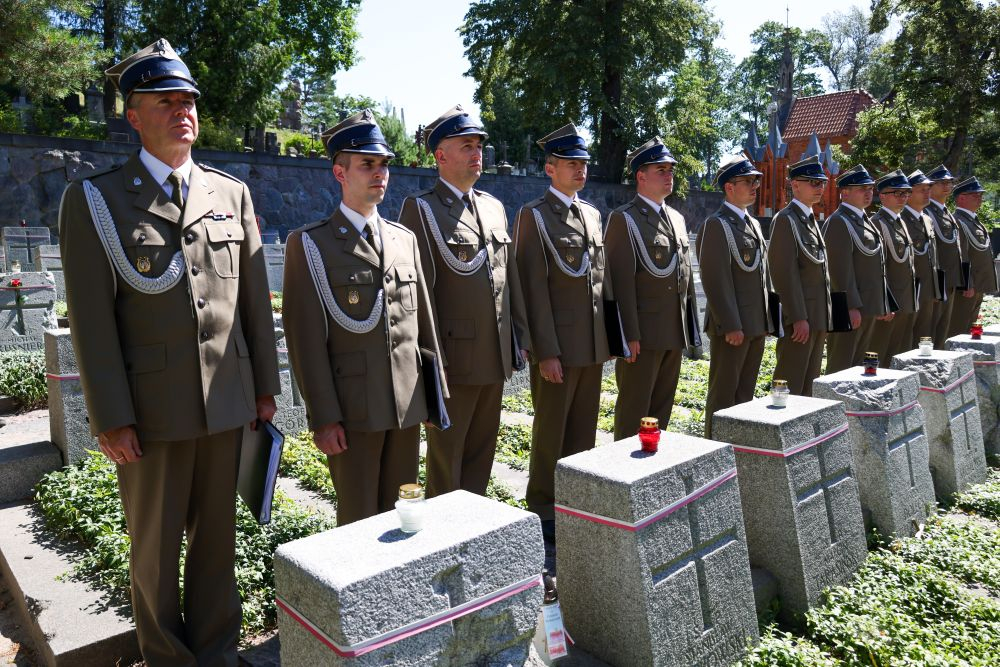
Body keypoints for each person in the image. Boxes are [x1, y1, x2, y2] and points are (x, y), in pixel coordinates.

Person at [59, 39, 279, 666]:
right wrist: (111, 416)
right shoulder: (98, 199)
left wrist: (264, 389)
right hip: (151, 412)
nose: (183, 111)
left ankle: (215, 652)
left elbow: (254, 305)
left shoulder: (229, 193)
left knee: (218, 542)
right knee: (153, 550)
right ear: (133, 115)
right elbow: (93, 321)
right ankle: (167, 658)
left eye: (189, 101)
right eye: (166, 101)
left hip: (227, 403)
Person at [282, 110, 447, 526]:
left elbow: (421, 324)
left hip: (407, 406)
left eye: (384, 164)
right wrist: (324, 417)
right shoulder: (311, 244)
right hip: (354, 411)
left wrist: (434, 395)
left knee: (404, 515)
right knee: (357, 519)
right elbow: (305, 342)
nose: (380, 174)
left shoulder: (402, 238)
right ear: (340, 172)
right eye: (367, 164)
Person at [397, 105, 529, 497]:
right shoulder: (421, 209)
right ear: (440, 155)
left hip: (494, 353)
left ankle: (475, 530)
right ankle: (444, 539)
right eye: (466, 146)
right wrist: (431, 362)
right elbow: (417, 295)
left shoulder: (493, 207)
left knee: (482, 453)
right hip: (453, 358)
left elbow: (510, 280)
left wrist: (517, 337)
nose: (477, 153)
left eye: (479, 146)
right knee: (447, 459)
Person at [514, 123, 609, 572]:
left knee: (583, 432)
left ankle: (572, 498)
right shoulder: (534, 216)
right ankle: (543, 506)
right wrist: (545, 350)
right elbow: (533, 288)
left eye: (584, 162)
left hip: (589, 344)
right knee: (551, 430)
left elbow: (599, 283)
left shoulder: (591, 215)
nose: (580, 169)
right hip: (558, 348)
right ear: (549, 168)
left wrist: (607, 337)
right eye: (571, 162)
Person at [604, 137, 698, 440]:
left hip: (673, 331)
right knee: (634, 413)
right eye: (661, 169)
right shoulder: (625, 219)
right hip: (641, 336)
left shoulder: (678, 219)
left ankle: (654, 471)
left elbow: (684, 280)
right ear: (640, 176)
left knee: (662, 412)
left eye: (670, 169)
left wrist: (690, 329)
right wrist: (628, 335)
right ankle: (624, 476)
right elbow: (620, 283)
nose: (669, 174)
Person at [698, 155, 771, 438]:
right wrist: (730, 324)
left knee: (745, 396)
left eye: (756, 181)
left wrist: (765, 319)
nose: (755, 186)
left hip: (754, 324)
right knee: (723, 397)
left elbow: (761, 277)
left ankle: (740, 450)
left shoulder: (751, 223)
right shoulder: (717, 224)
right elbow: (715, 280)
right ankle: (715, 449)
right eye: (748, 181)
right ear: (729, 187)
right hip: (734, 327)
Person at [766, 155, 832, 395]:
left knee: (809, 385)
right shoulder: (786, 219)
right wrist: (797, 317)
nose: (820, 188)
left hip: (817, 315)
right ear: (795, 185)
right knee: (790, 382)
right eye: (813, 183)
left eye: (821, 183)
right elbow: (784, 273)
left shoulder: (810, 219)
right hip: (801, 318)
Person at [823, 165, 893, 373]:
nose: (868, 193)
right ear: (845, 192)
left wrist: (884, 301)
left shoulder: (864, 220)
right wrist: (850, 306)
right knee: (842, 365)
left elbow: (877, 267)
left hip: (869, 304)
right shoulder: (838, 221)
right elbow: (839, 270)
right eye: (862, 188)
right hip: (852, 307)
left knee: (858, 365)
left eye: (870, 188)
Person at [868, 170, 917, 367]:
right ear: (883, 196)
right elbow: (878, 269)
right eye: (897, 193)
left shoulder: (900, 222)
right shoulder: (878, 224)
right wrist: (885, 303)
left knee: (899, 353)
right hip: (890, 304)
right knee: (880, 354)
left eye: (905, 193)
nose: (903, 198)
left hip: (905, 300)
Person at [949, 176, 997, 334]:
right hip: (968, 287)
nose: (980, 199)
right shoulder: (958, 220)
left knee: (971, 326)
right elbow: (961, 253)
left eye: (980, 196)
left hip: (978, 284)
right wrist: (967, 282)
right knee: (958, 327)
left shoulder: (973, 220)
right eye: (975, 195)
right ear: (961, 198)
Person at [900, 170, 943, 347]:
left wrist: (936, 289)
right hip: (909, 291)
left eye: (928, 189)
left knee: (924, 339)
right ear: (908, 194)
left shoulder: (927, 219)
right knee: (904, 341)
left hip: (927, 290)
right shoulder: (901, 218)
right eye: (922, 190)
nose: (927, 193)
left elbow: (933, 257)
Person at [925, 165, 965, 348]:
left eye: (949, 182)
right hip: (937, 281)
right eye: (941, 183)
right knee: (930, 331)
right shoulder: (927, 212)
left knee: (943, 331)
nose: (947, 186)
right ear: (930, 187)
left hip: (949, 280)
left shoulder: (944, 211)